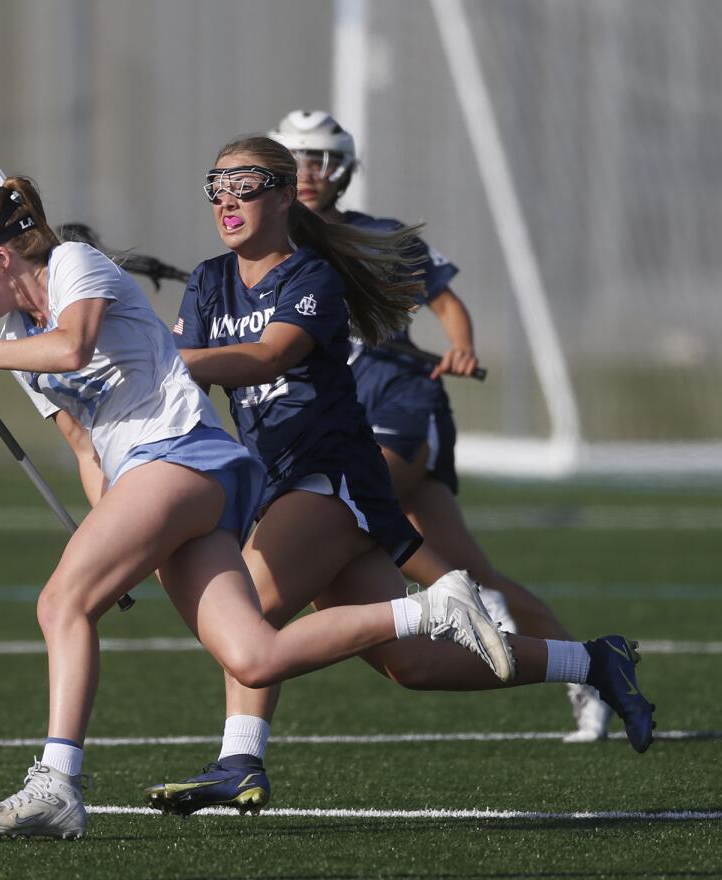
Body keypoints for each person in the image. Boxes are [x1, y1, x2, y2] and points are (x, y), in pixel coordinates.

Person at [0, 176, 514, 840]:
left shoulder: (72, 265)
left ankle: (57, 784)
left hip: (180, 455)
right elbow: (86, 446)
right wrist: (116, 528)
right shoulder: (16, 343)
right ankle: (432, 608)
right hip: (155, 484)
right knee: (254, 656)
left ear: (1, 257)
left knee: (60, 603)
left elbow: (74, 347)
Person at [142, 136, 655, 818]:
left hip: (332, 477)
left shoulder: (312, 277)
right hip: (282, 480)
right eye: (217, 185)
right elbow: (185, 387)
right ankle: (593, 661)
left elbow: (268, 358)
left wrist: (165, 364)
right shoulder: (209, 280)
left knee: (253, 621)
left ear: (285, 194)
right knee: (409, 666)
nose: (229, 200)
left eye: (248, 183)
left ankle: (240, 762)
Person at [269, 109, 612, 742]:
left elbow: (447, 303)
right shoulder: (272, 247)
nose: (311, 173)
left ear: (342, 168)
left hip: (398, 411)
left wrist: (460, 344)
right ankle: (588, 668)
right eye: (299, 160)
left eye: (321, 159)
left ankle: (245, 742)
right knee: (476, 578)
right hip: (346, 418)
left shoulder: (382, 236)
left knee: (322, 523)